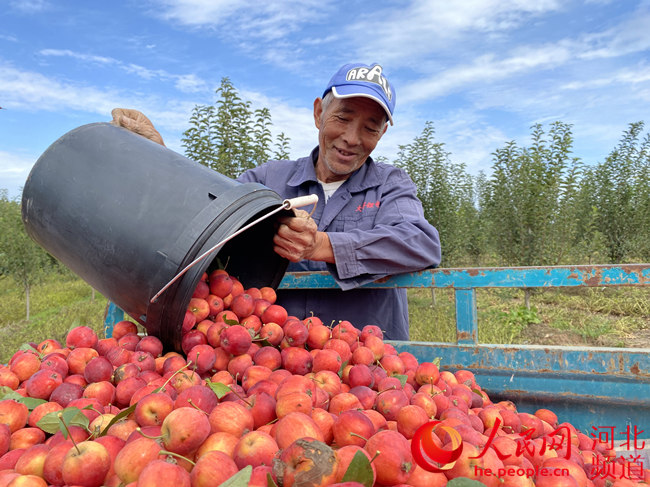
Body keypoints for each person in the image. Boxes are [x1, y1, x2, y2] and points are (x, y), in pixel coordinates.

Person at [112, 62, 441, 340]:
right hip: (274, 358)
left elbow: (421, 243)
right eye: (343, 118)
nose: (352, 139)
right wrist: (160, 158)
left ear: (381, 134)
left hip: (366, 368)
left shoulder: (389, 184)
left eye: (370, 128)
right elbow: (207, 216)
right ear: (318, 113)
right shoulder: (268, 180)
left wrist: (322, 246)